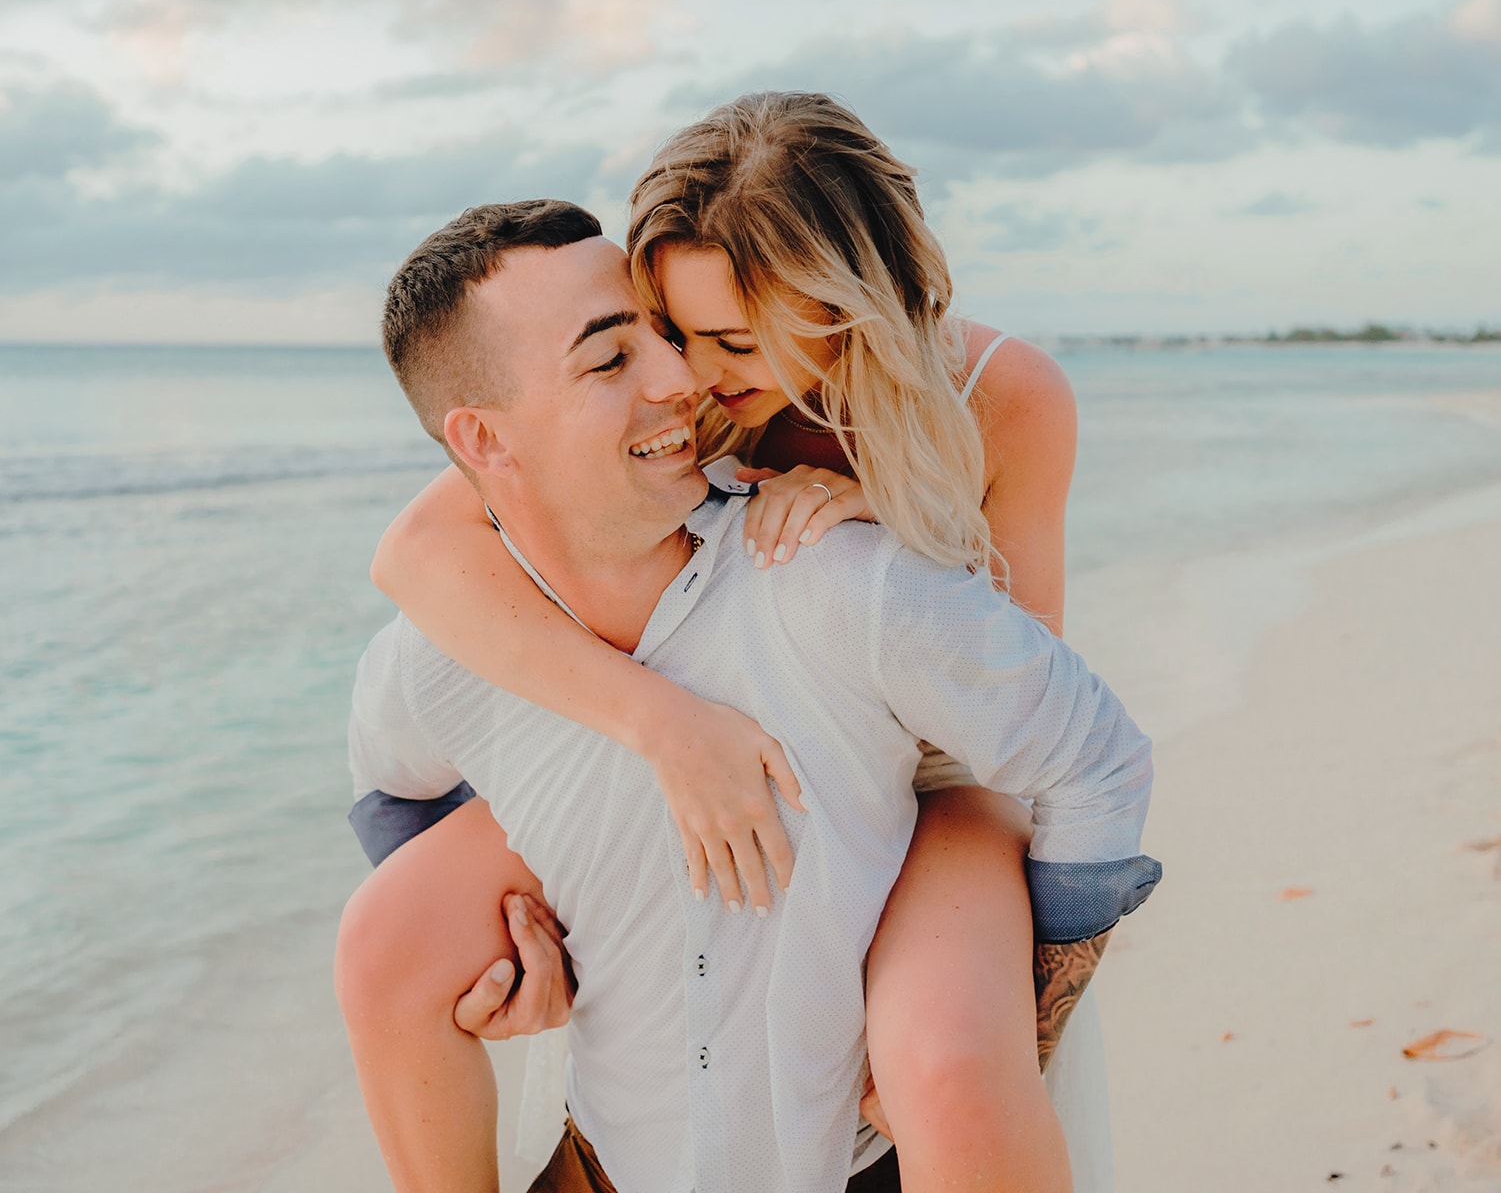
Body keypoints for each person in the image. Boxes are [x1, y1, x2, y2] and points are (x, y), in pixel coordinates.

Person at [361, 93, 1111, 1188]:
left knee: (945, 1064)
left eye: (729, 337)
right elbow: (414, 558)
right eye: (668, 329)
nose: (692, 372)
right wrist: (658, 726)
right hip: (741, 741)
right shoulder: (685, 395)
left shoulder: (1003, 400)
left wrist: (883, 536)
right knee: (389, 943)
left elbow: (1024, 693)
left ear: (846, 300)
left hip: (938, 774)